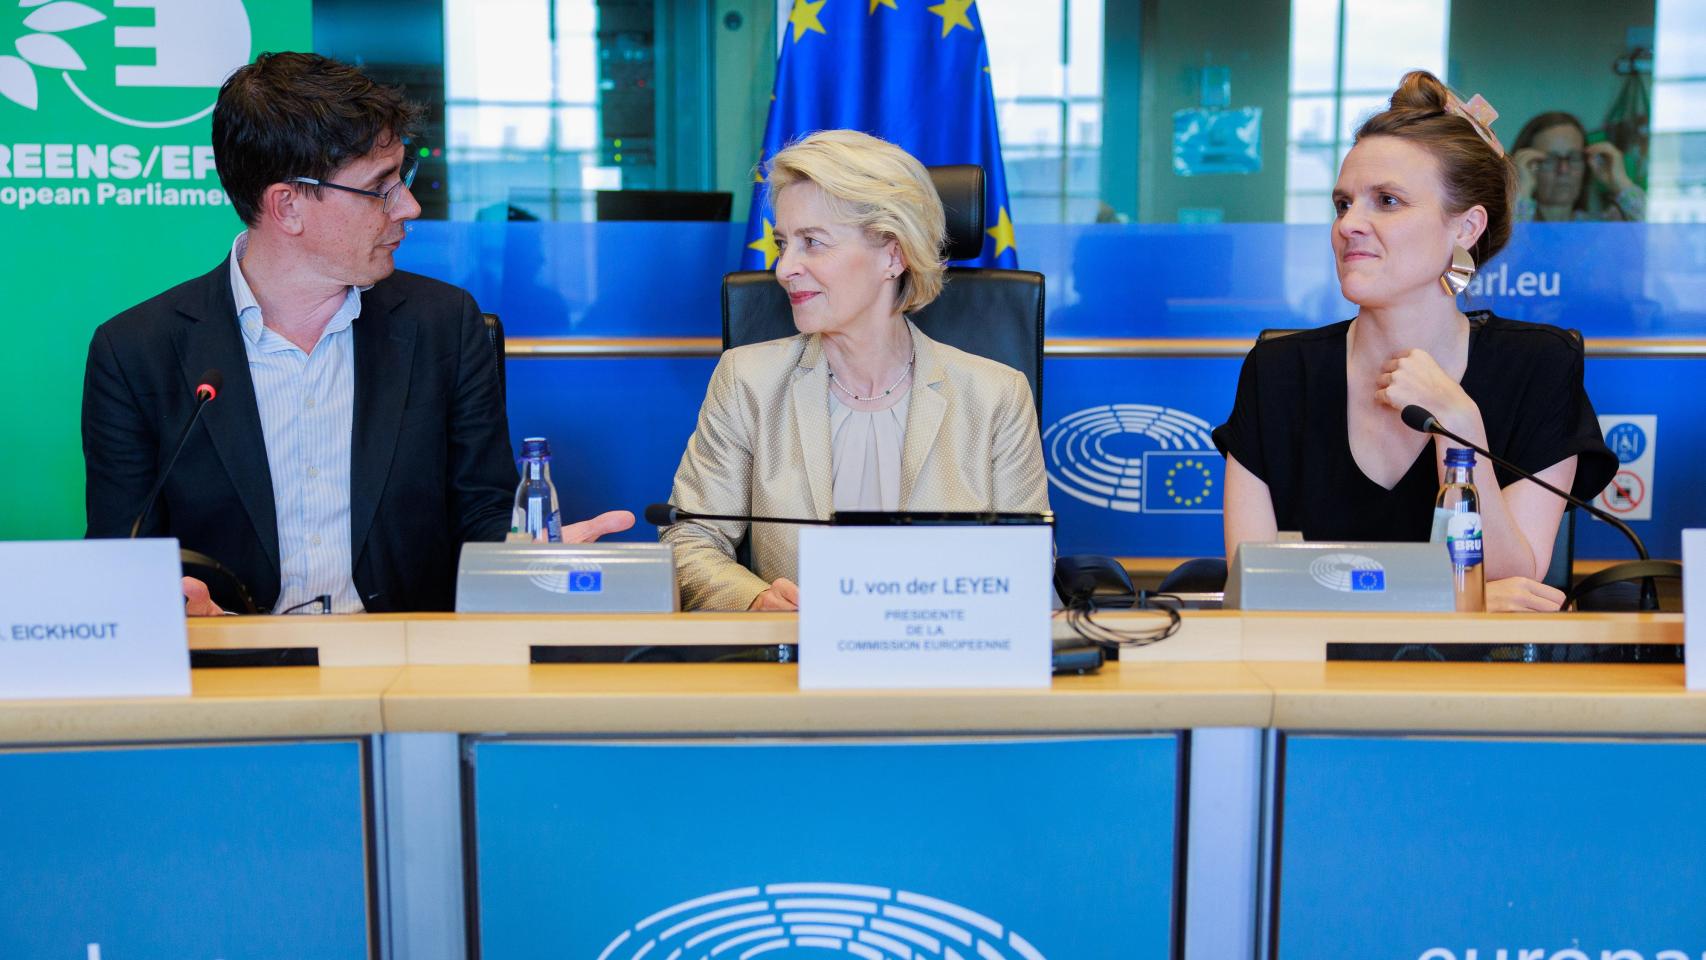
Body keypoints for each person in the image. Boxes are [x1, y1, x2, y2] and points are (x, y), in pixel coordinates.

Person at [82, 52, 631, 615]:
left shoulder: (443, 324)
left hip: (408, 660)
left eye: (403, 179)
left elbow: (482, 511)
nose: (409, 207)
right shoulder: (136, 352)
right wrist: (166, 603)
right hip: (229, 662)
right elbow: (121, 555)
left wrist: (528, 556)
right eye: (381, 188)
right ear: (287, 205)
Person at [1214, 71, 1617, 613]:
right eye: (1342, 203)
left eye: (1387, 200)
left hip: (1479, 690)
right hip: (1312, 684)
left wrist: (1460, 428)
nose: (1349, 224)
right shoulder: (1280, 371)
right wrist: (1450, 600)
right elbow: (1258, 594)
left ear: (1466, 228)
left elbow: (1512, 588)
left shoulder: (1538, 366)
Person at [662, 130, 1049, 611]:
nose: (785, 268)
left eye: (813, 243)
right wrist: (755, 599)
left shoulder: (996, 395)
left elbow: (1026, 565)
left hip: (942, 667)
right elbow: (689, 540)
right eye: (785, 243)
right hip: (792, 666)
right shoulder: (748, 380)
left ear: (892, 254)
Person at [1511, 111, 1644, 222]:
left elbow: (1654, 235)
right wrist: (1520, 190)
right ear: (1527, 166)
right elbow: (1507, 246)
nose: (1563, 169)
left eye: (1574, 157)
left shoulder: (1600, 228)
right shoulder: (1515, 222)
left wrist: (1620, 182)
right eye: (1550, 159)